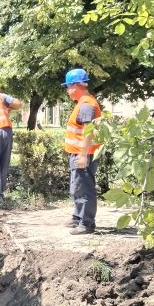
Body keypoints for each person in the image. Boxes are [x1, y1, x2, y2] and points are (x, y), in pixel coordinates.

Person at [61, 68, 103, 234]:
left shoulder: (86, 105)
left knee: (84, 188)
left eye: (68, 87)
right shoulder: (84, 102)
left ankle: (87, 224)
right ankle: (78, 216)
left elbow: (89, 131)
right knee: (77, 186)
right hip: (79, 153)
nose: (68, 91)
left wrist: (83, 155)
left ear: (76, 86)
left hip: (84, 154)